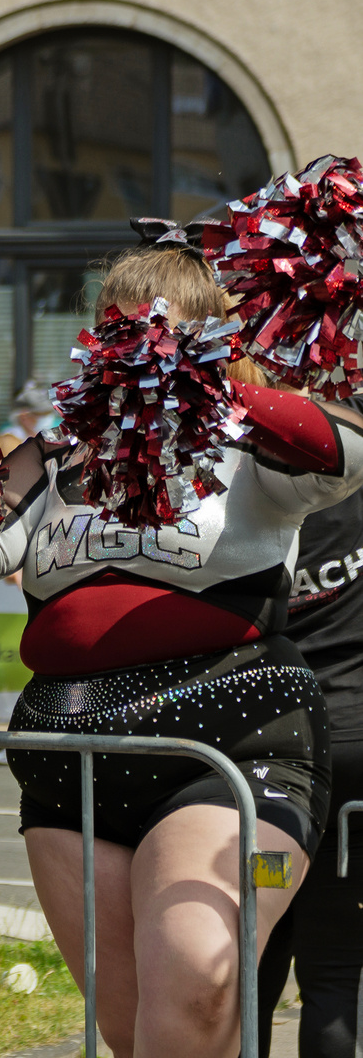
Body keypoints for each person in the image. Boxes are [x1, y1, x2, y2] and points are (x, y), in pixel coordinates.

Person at [0, 240, 363, 1058]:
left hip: (231, 750)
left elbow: (346, 453)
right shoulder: (54, 453)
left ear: (212, 343)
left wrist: (214, 389)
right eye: (117, 334)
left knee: (201, 978)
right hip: (69, 764)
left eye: (162, 336)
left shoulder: (249, 452)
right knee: (139, 1028)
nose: (135, 353)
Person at [256, 389, 363, 1058]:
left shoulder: (246, 491)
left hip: (265, 767)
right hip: (348, 752)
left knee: (255, 965)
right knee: (333, 974)